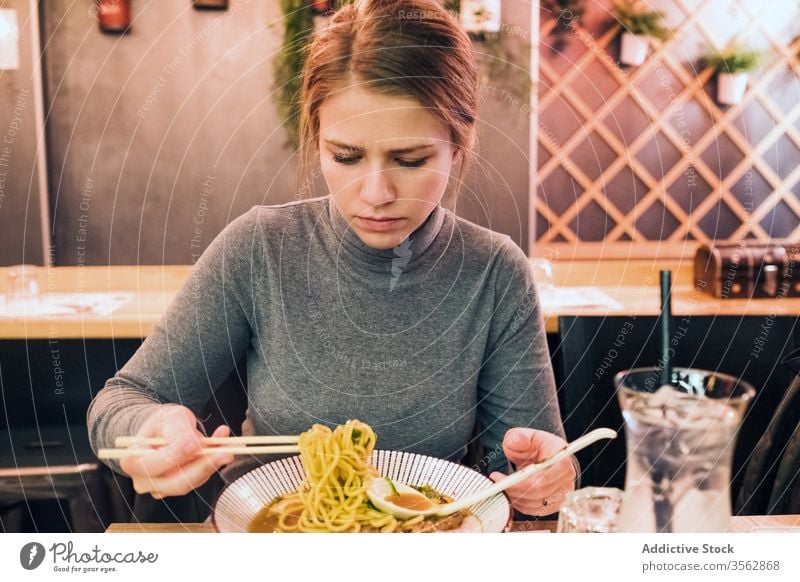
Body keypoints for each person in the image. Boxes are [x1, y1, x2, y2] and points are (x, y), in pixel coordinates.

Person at [87, 0, 578, 518]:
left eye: (411, 160)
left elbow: (529, 465)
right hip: (269, 539)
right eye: (344, 156)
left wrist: (544, 480)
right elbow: (119, 403)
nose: (376, 193)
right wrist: (149, 431)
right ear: (317, 136)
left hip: (431, 544)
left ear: (458, 144)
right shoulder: (259, 248)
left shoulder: (494, 271)